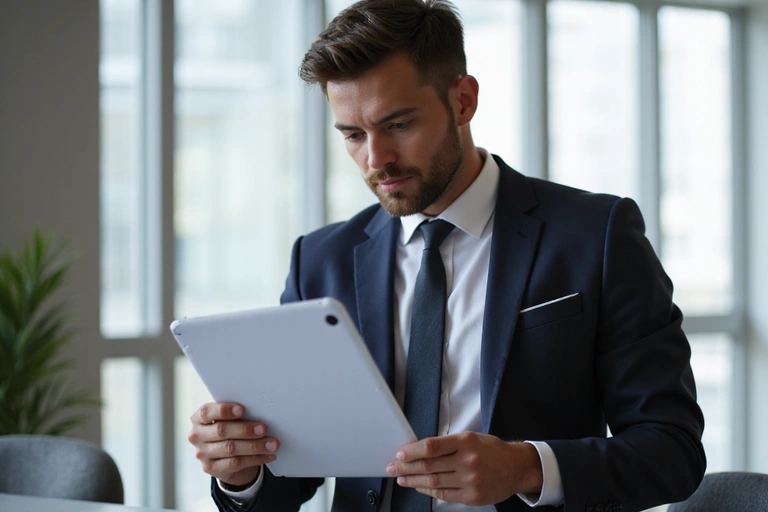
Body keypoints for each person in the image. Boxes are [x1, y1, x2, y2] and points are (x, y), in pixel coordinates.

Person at [187, 0, 706, 511]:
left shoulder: (596, 235)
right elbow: (292, 481)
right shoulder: (320, 260)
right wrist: (244, 472)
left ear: (463, 101)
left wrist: (528, 466)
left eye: (398, 125)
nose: (376, 159)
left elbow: (672, 450)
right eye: (352, 135)